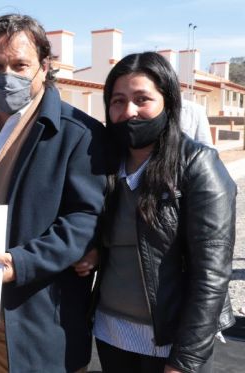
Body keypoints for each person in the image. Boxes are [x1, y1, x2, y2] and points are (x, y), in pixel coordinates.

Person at [0, 14, 106, 373]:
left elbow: (83, 220)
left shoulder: (77, 134)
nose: (7, 75)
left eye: (20, 64)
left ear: (45, 66)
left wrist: (21, 263)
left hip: (36, 313)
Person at [89, 52, 235, 373]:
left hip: (171, 341)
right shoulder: (104, 166)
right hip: (112, 333)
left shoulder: (198, 166)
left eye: (142, 99)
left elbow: (211, 276)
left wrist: (185, 360)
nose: (129, 111)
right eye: (118, 101)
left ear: (168, 102)